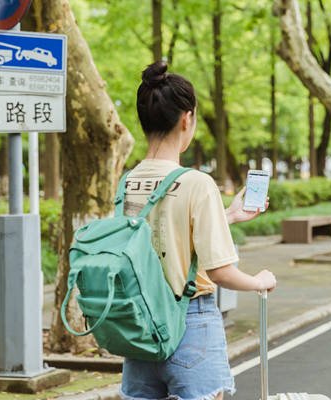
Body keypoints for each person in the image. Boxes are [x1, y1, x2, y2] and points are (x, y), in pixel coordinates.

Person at [120, 61, 277, 400]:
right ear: (186, 119)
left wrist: (226, 217)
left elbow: (154, 238)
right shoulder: (196, 183)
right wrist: (259, 282)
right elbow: (220, 273)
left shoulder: (127, 183)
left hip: (139, 328)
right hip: (191, 324)